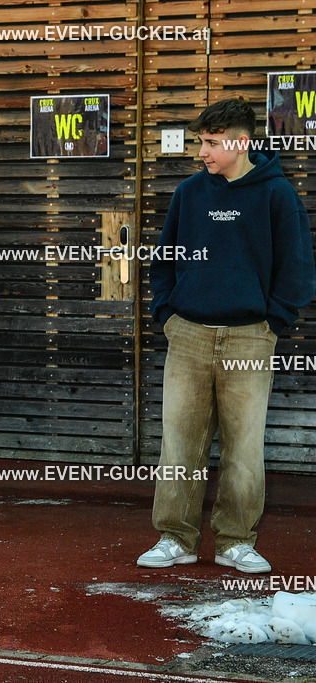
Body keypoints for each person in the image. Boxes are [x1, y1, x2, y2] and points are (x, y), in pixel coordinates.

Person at [138, 97, 315, 574]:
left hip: (250, 338)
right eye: (201, 142)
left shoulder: (277, 195)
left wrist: (271, 321)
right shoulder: (190, 194)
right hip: (189, 335)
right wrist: (167, 314)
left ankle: (237, 540)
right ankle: (176, 538)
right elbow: (163, 261)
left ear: (242, 142)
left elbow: (297, 269)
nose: (203, 152)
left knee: (244, 445)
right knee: (178, 443)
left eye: (212, 143)